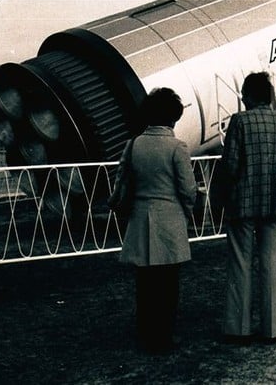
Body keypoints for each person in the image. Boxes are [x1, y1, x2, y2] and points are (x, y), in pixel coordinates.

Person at [213, 72, 276, 345]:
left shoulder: (239, 122)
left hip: (243, 203)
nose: (242, 98)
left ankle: (239, 329)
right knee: (269, 264)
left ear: (251, 96)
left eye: (243, 93)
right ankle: (271, 329)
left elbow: (230, 164)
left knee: (240, 263)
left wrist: (225, 195)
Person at [108, 87, 197, 352]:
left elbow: (121, 182)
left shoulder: (134, 144)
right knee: (168, 285)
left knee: (145, 285)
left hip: (139, 219)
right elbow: (188, 188)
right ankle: (164, 336)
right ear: (173, 116)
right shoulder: (177, 147)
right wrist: (189, 210)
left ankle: (146, 333)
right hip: (169, 220)